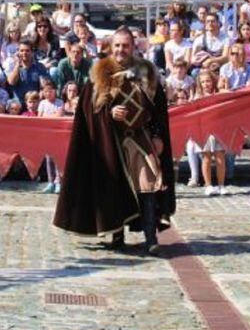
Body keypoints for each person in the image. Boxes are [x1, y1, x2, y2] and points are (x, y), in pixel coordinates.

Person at [54, 28, 176, 255]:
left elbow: (158, 110)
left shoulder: (147, 73)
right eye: (117, 46)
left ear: (133, 47)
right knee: (115, 187)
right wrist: (109, 113)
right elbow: (89, 111)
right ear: (111, 47)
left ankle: (151, 238)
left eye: (126, 46)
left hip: (140, 139)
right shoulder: (100, 74)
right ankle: (116, 235)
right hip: (112, 142)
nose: (121, 50)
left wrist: (158, 136)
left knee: (148, 186)